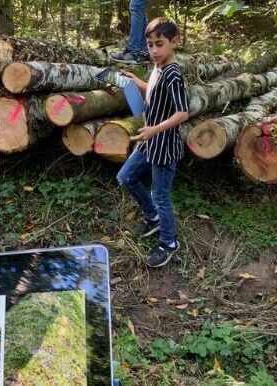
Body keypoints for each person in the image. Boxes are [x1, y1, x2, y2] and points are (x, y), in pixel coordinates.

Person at [117, 18, 190, 268]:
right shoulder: (157, 68)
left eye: (159, 44)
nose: (154, 50)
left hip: (163, 145)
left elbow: (182, 112)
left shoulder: (173, 74)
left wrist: (154, 130)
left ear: (174, 42)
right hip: (149, 141)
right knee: (126, 177)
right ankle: (153, 218)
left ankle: (169, 242)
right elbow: (153, 91)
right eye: (149, 45)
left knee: (160, 195)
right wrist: (134, 80)